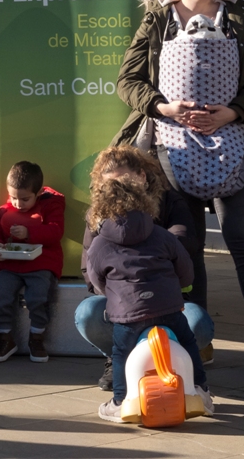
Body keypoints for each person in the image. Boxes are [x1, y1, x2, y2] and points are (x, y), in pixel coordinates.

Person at [113, 0, 244, 372]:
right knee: (188, 247)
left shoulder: (241, 15)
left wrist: (234, 111)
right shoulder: (158, 20)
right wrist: (164, 108)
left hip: (232, 143)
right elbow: (127, 80)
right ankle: (200, 339)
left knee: (243, 240)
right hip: (173, 147)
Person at [76, 145, 214, 391]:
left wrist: (141, 260)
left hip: (170, 301)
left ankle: (123, 395)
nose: (117, 190)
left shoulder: (169, 202)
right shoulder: (96, 215)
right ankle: (196, 387)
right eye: (109, 185)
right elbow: (89, 271)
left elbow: (185, 241)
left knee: (199, 323)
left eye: (123, 181)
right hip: (125, 304)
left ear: (142, 175)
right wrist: (122, 291)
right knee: (87, 313)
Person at [0, 161, 65, 363]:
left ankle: (37, 338)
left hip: (40, 264)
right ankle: (5, 338)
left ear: (38, 193)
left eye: (25, 199)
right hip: (10, 265)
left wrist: (30, 232)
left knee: (38, 298)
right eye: (13, 198)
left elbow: (55, 231)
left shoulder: (50, 206)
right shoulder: (5, 211)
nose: (18, 204)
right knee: (1, 297)